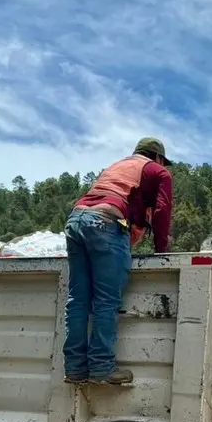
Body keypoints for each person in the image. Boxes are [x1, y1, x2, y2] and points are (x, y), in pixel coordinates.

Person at [64, 137, 173, 386]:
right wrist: (161, 249)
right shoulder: (159, 172)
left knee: (78, 300)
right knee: (106, 300)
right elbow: (162, 210)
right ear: (157, 158)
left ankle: (75, 369)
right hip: (106, 222)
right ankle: (102, 368)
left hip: (76, 220)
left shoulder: (118, 167)